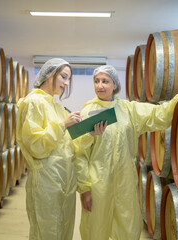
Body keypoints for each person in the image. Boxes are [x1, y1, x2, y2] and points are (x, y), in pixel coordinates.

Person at [74, 65, 178, 240]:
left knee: (128, 225)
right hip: (98, 183)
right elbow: (79, 153)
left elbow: (158, 115)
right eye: (97, 81)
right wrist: (85, 189)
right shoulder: (88, 112)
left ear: (114, 85)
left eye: (105, 81)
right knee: (96, 228)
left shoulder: (129, 109)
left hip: (125, 182)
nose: (100, 85)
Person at [16, 58, 106, 240]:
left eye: (68, 79)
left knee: (64, 231)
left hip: (66, 180)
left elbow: (70, 146)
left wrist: (90, 134)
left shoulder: (57, 106)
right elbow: (35, 145)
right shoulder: (33, 102)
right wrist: (62, 124)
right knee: (47, 232)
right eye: (63, 77)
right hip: (46, 181)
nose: (66, 83)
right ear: (50, 74)